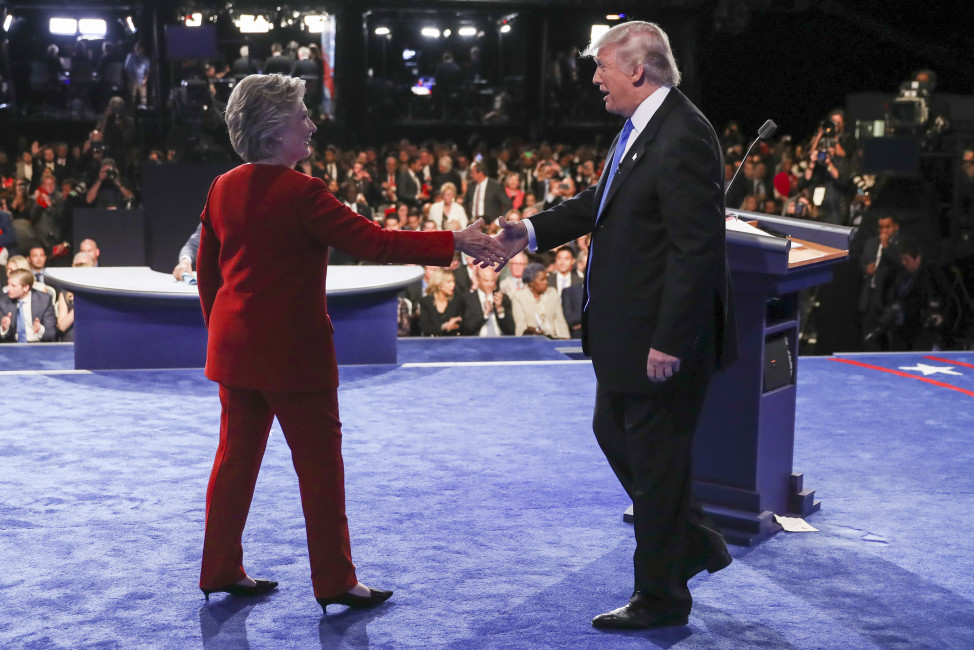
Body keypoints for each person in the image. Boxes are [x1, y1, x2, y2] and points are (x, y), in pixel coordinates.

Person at [195, 73, 507, 611]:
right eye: (301, 116)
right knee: (319, 471)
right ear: (275, 133)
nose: (311, 124)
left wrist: (220, 331)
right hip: (294, 357)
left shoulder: (223, 186)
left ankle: (219, 568)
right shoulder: (303, 192)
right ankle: (335, 581)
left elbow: (207, 271)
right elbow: (374, 242)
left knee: (234, 463)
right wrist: (454, 240)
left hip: (235, 351)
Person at [494, 20, 736, 630]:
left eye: (602, 66)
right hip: (627, 335)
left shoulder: (684, 134)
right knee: (616, 431)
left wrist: (670, 341)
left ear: (636, 69)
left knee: (656, 466)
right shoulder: (639, 128)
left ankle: (660, 598)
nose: (596, 78)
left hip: (658, 339)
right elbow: (599, 206)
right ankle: (693, 541)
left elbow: (695, 250)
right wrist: (529, 231)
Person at [510, 262, 570, 338]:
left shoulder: (552, 293)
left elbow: (560, 320)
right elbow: (520, 323)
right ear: (531, 282)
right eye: (542, 280)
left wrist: (566, 339)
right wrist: (531, 330)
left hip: (554, 339)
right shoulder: (519, 297)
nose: (546, 282)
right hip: (531, 340)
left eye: (546, 279)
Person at [0, 268, 56, 342]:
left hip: (37, 344)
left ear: (26, 288)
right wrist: (5, 328)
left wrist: (40, 329)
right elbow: (4, 337)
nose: (9, 288)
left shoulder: (44, 300)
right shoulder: (3, 301)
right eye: (8, 284)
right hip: (13, 345)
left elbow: (51, 333)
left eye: (13, 286)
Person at [461, 266, 514, 336]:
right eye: (486, 281)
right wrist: (484, 314)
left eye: (492, 280)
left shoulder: (503, 298)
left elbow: (510, 330)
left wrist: (499, 309)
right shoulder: (467, 299)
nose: (490, 284)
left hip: (500, 342)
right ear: (478, 280)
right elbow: (466, 329)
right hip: (476, 343)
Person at [417, 268, 464, 336]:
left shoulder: (457, 300)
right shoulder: (425, 301)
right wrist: (443, 326)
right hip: (432, 343)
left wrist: (456, 325)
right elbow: (425, 326)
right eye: (449, 282)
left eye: (453, 281)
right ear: (439, 284)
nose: (453, 285)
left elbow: (463, 323)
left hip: (453, 342)